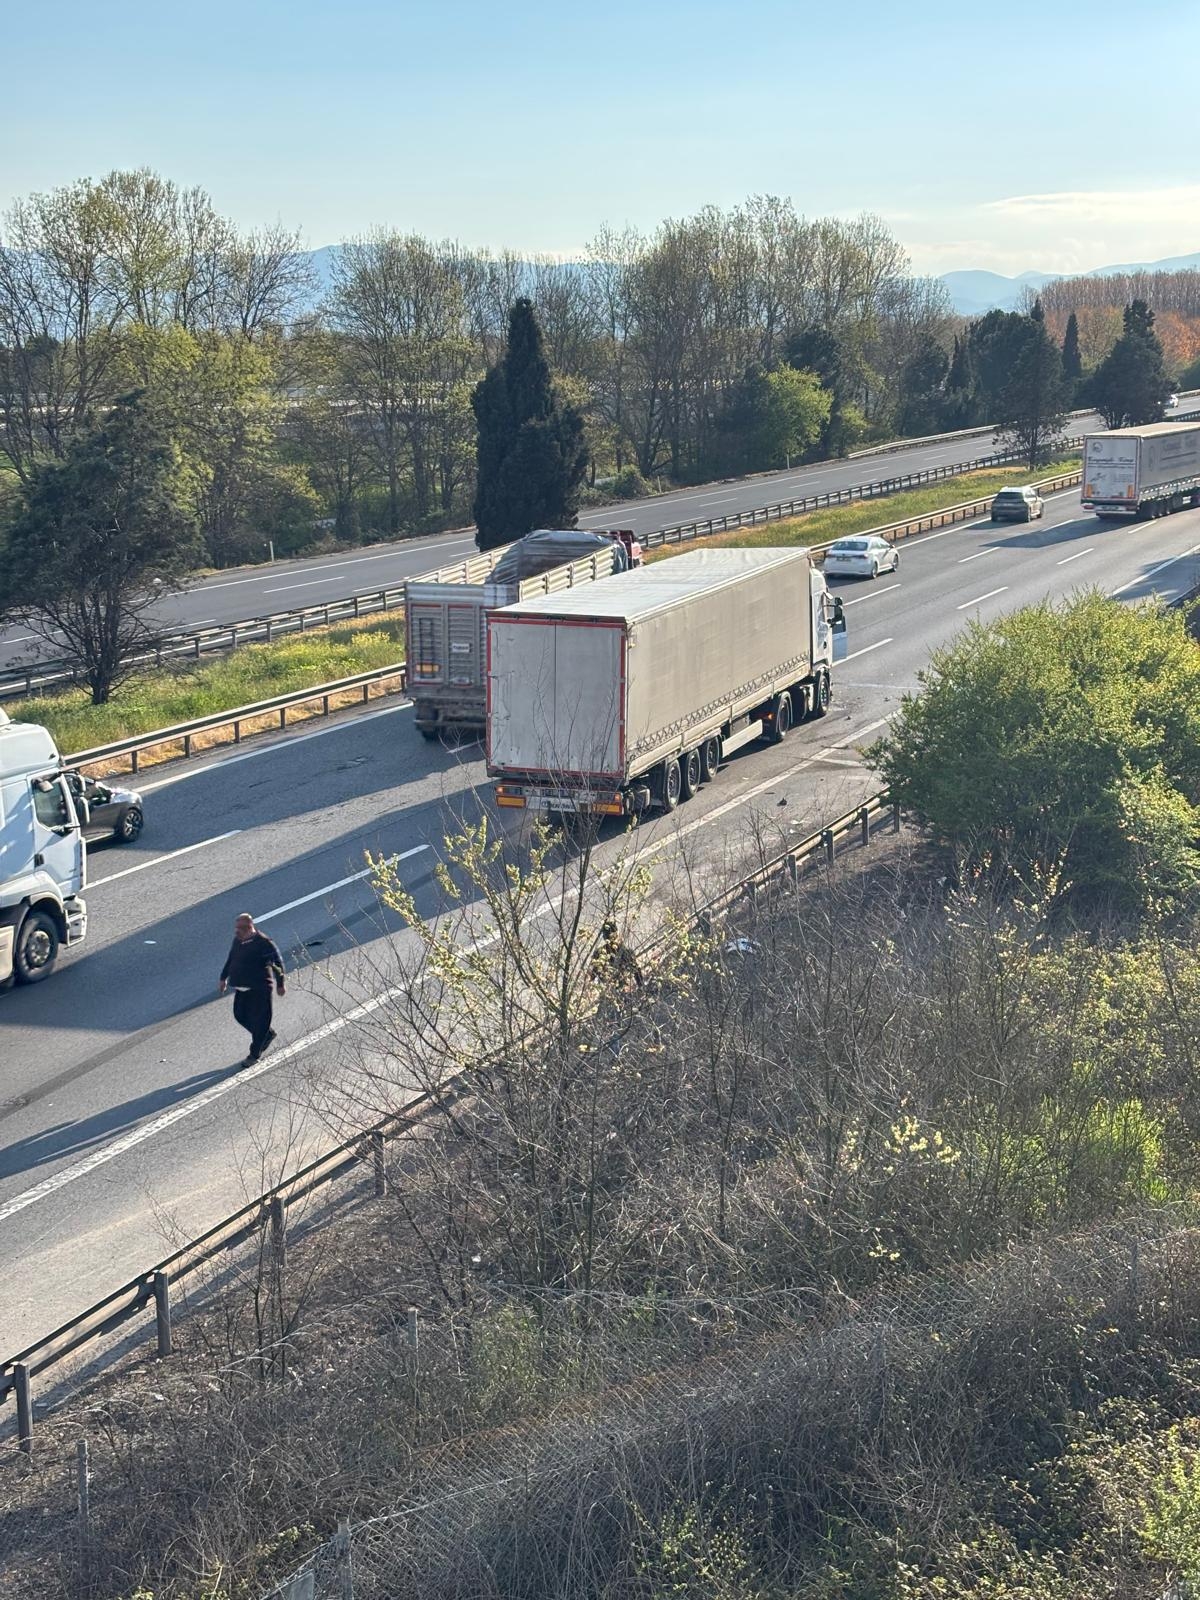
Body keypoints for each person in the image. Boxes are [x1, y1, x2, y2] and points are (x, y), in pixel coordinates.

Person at [219, 912, 285, 1066]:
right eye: (236, 928)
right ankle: (266, 1035)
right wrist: (223, 978)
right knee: (240, 1016)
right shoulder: (238, 940)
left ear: (249, 927)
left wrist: (280, 984)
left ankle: (254, 1054)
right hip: (241, 988)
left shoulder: (264, 943)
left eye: (240, 928)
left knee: (261, 1021)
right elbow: (231, 959)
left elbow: (277, 964)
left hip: (260, 989)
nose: (236, 931)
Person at [591, 920, 644, 995]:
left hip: (617, 992)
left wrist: (641, 987)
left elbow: (636, 971)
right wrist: (641, 987)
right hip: (610, 993)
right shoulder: (600, 953)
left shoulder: (624, 952)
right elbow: (592, 976)